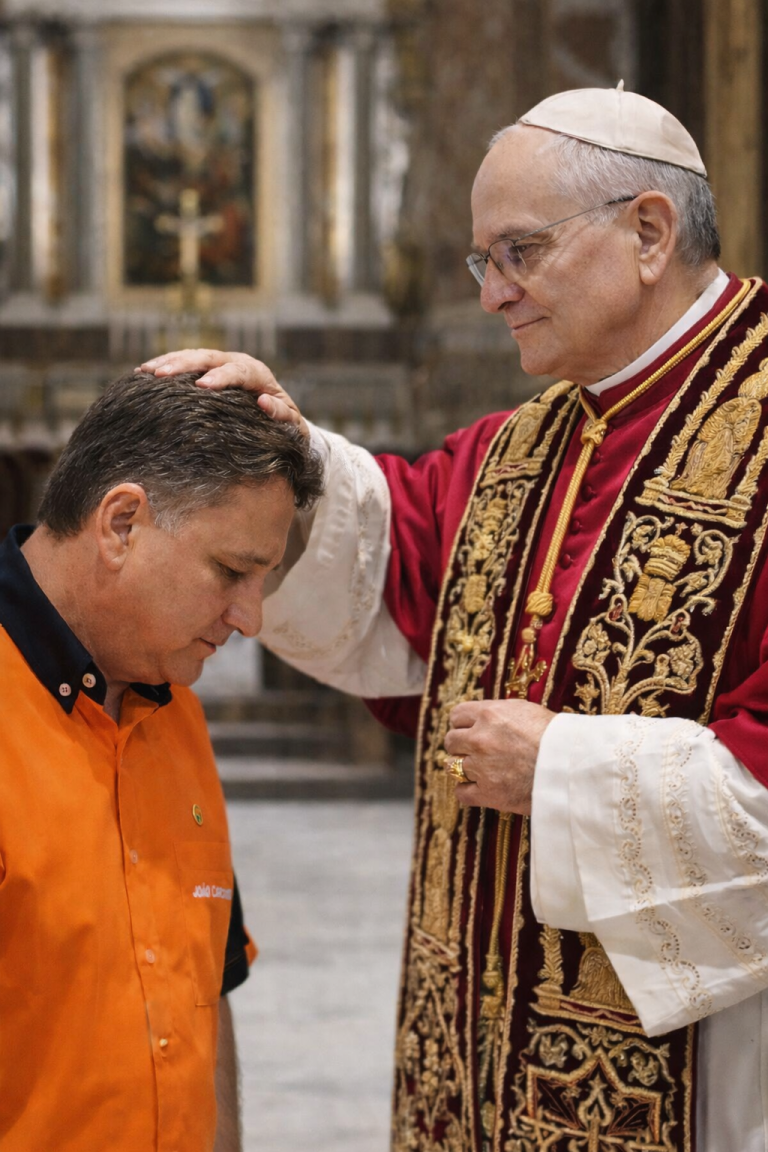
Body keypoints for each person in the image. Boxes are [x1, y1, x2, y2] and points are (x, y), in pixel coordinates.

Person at [142, 86, 768, 1151]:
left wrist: (567, 774)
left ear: (649, 232)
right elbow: (398, 556)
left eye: (518, 252)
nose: (494, 294)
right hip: (477, 1060)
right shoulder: (524, 445)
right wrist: (284, 452)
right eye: (484, 263)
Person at [0, 372, 323, 1151]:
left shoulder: (173, 707)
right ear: (120, 524)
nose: (249, 619)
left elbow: (206, 987)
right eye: (231, 571)